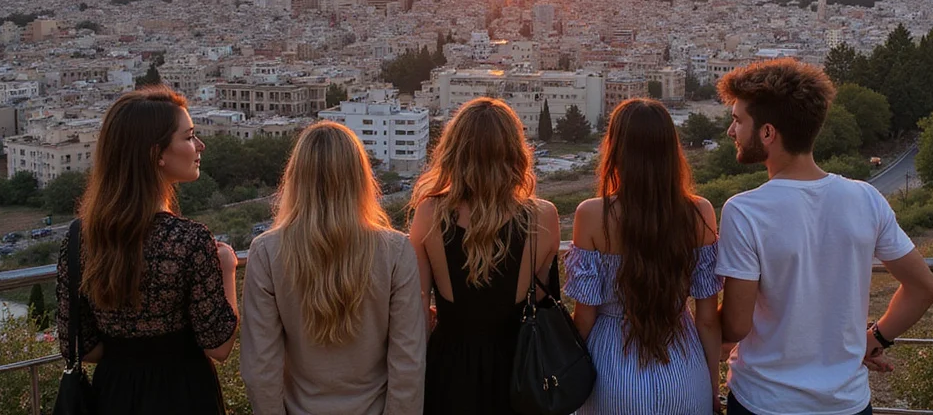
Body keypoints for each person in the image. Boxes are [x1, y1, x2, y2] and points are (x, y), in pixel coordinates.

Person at [715, 59, 933, 415]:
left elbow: (736, 325)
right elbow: (924, 288)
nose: (731, 131)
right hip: (846, 403)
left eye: (738, 120)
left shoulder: (745, 211)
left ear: (768, 133)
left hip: (766, 401)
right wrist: (875, 339)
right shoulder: (865, 197)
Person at [55, 87, 238, 415]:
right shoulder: (188, 241)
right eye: (189, 137)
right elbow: (220, 346)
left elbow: (84, 347)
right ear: (157, 154)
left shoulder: (81, 239)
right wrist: (226, 267)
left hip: (114, 394)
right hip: (185, 394)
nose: (200, 146)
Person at [240, 121, 425, 414]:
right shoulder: (396, 251)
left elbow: (260, 366)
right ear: (361, 178)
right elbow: (408, 363)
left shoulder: (266, 252)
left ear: (295, 178)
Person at [565, 98, 722, 415]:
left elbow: (584, 318)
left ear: (615, 148)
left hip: (609, 371)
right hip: (683, 366)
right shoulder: (698, 213)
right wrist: (713, 390)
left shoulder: (592, 215)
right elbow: (707, 318)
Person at [409, 97, 561, 415]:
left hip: (448, 370)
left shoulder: (429, 213)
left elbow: (418, 309)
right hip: (518, 373)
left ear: (454, 152)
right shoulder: (543, 217)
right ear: (514, 152)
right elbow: (545, 300)